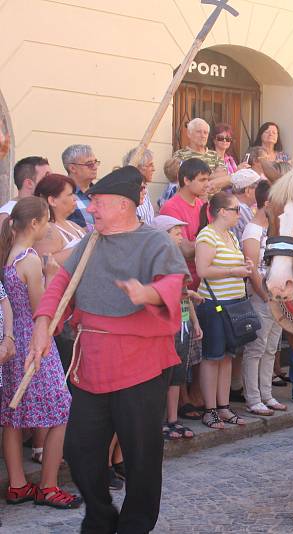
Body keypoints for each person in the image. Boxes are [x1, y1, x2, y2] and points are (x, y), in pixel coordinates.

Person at [28, 165, 189, 532]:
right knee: (80, 452)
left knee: (141, 457)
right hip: (91, 364)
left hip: (140, 365)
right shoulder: (90, 240)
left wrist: (144, 293)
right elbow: (62, 286)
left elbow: (173, 286)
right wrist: (42, 325)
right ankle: (100, 517)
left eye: (99, 203)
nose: (92, 208)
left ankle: (135, 525)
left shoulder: (156, 242)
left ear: (123, 205)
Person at [0, 197, 80, 509]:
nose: (48, 228)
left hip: (12, 342)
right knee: (60, 410)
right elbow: (40, 310)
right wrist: (50, 273)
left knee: (12, 415)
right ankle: (48, 485)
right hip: (34, 342)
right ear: (34, 224)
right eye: (46, 221)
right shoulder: (31, 260)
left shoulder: (7, 255)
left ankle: (18, 484)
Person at [194, 191, 252, 429]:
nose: (240, 214)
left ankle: (223, 406)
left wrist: (243, 266)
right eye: (236, 209)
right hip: (214, 304)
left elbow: (229, 265)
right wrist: (233, 272)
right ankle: (210, 410)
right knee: (212, 357)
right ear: (221, 212)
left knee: (228, 356)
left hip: (234, 302)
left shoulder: (230, 236)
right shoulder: (207, 235)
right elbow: (202, 270)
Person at [153, 215, 201, 441]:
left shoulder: (178, 257)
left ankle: (173, 419)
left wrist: (195, 321)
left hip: (182, 323)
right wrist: (187, 293)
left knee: (177, 375)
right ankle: (159, 420)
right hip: (165, 324)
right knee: (163, 375)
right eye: (176, 232)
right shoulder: (155, 259)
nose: (182, 236)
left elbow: (185, 292)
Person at [240, 181, 285, 415]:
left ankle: (266, 394)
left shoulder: (273, 227)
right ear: (267, 203)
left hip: (277, 295)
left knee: (271, 347)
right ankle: (254, 397)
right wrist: (264, 295)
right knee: (256, 347)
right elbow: (252, 269)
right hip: (262, 296)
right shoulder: (252, 230)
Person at [159, 158, 212, 290]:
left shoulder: (201, 204)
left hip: (204, 282)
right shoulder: (170, 208)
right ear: (186, 180)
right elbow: (185, 250)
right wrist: (210, 243)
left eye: (207, 179)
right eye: (202, 180)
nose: (207, 184)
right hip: (185, 284)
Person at [33, 174, 86, 266]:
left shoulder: (73, 225)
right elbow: (44, 264)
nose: (75, 198)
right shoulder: (46, 229)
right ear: (52, 201)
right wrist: (84, 247)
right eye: (70, 194)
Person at [172, 118, 230, 193]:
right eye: (199, 132)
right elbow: (180, 179)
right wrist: (213, 175)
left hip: (215, 202)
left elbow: (223, 175)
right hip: (192, 202)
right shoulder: (180, 155)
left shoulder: (215, 155)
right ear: (189, 134)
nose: (203, 136)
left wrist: (199, 178)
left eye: (205, 133)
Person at [0, 156, 51, 221]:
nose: (52, 180)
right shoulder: (7, 215)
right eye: (47, 177)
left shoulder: (47, 209)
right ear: (29, 183)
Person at [63, 144, 100, 228]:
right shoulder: (62, 196)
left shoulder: (100, 192)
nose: (95, 167)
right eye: (89, 164)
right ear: (72, 168)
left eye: (96, 162)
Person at [122, 147, 156, 225]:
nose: (154, 169)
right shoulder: (128, 193)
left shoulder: (144, 191)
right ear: (139, 167)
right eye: (150, 165)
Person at [230, 168, 261, 243]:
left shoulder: (237, 205)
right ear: (248, 191)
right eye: (259, 188)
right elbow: (260, 234)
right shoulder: (242, 208)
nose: (261, 191)